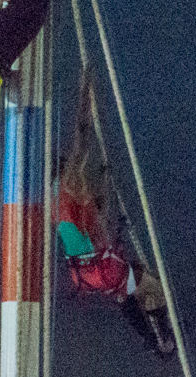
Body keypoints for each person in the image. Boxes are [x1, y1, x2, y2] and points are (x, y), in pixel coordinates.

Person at [56, 73, 175, 358]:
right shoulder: (73, 182)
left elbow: (97, 218)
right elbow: (81, 133)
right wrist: (85, 95)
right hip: (103, 269)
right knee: (154, 290)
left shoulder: (60, 204)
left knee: (130, 284)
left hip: (85, 275)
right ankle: (163, 338)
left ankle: (151, 338)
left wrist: (106, 182)